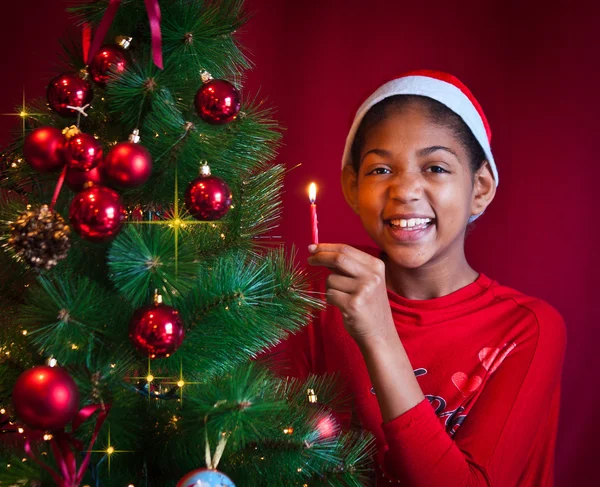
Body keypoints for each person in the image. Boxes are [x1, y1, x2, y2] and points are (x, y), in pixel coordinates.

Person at [277, 70, 567, 486]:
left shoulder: (529, 329)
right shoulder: (320, 307)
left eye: (435, 167)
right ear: (351, 185)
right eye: (380, 171)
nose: (405, 190)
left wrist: (378, 334)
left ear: (480, 187)